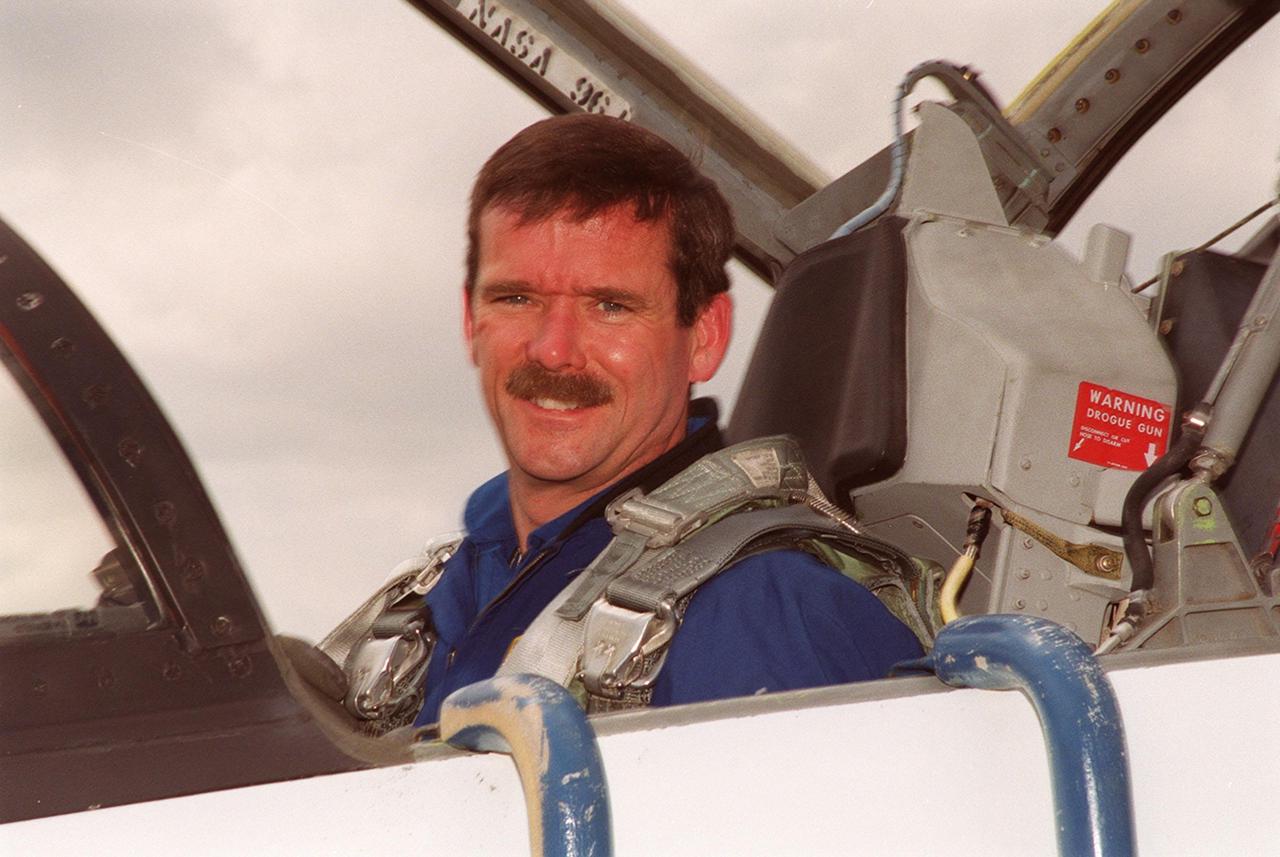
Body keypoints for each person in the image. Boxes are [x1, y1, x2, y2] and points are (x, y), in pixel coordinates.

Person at [413, 113, 921, 726]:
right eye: (517, 298)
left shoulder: (768, 614)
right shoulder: (431, 604)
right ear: (471, 322)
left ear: (704, 337)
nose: (553, 349)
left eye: (609, 306)